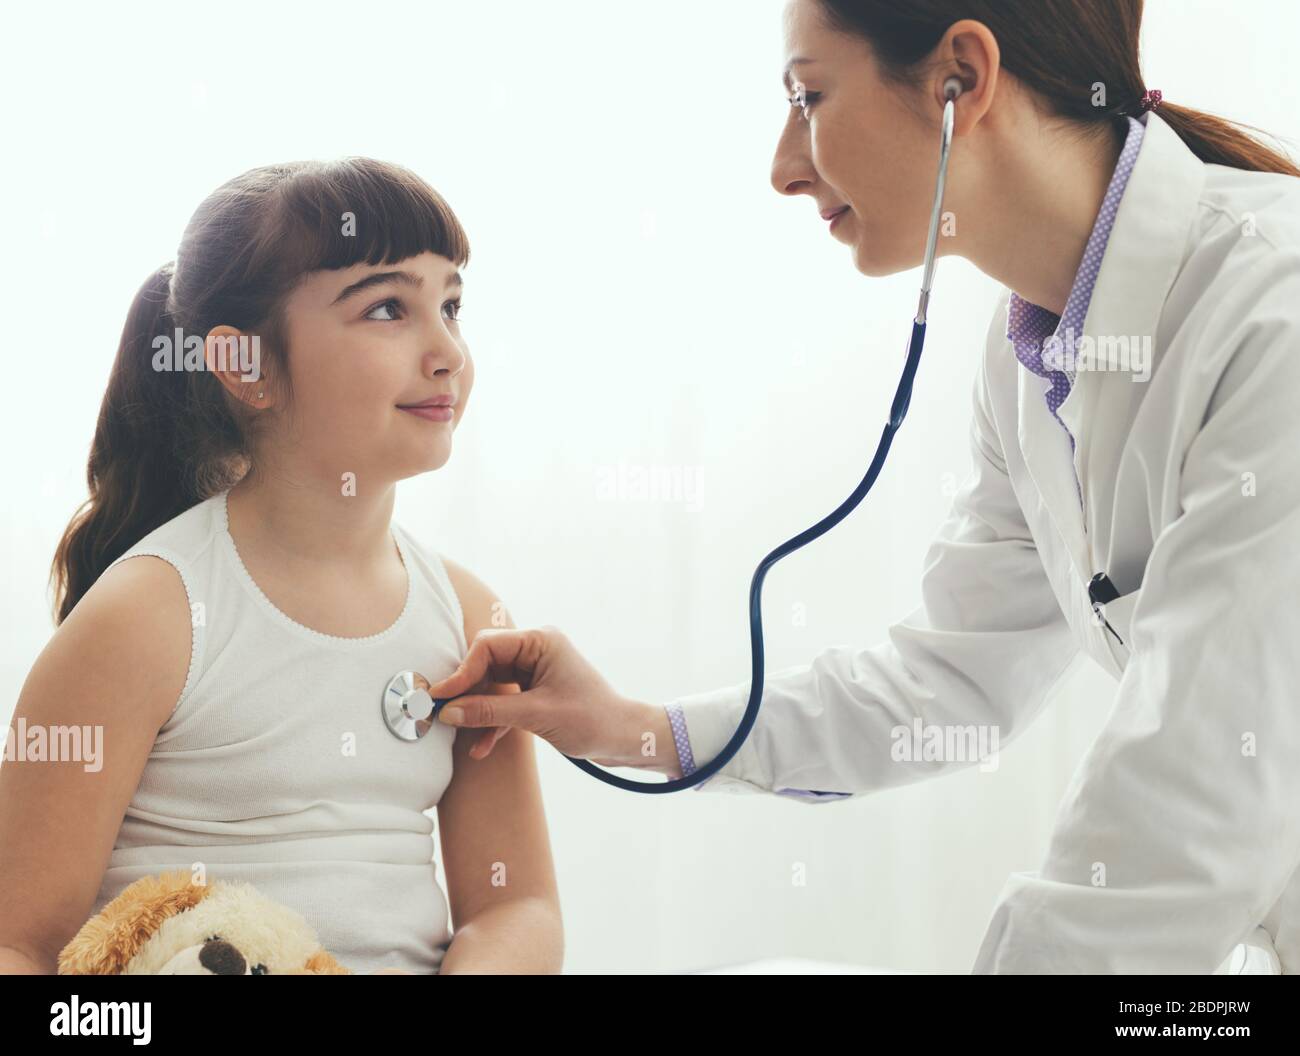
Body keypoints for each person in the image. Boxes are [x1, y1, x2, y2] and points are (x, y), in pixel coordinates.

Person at [424, 0, 1300, 975]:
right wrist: (635, 730)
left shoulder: (1274, 316)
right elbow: (950, 685)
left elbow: (1192, 793)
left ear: (959, 78)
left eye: (808, 97)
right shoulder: (1029, 357)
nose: (781, 166)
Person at [0, 160, 561, 975]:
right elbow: (18, 942)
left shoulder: (473, 622)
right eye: (386, 308)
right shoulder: (147, 615)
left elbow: (518, 904)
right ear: (247, 366)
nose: (446, 351)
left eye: (450, 304)